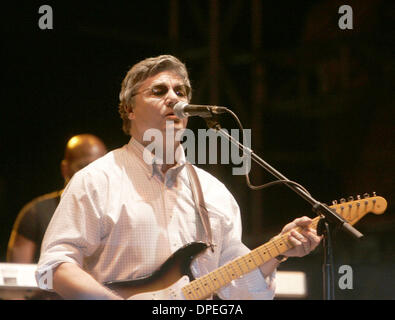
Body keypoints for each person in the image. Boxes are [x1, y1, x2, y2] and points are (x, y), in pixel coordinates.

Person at [36, 55, 321, 300]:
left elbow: (239, 291)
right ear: (129, 110)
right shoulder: (97, 180)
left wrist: (278, 252)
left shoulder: (214, 193)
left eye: (181, 91)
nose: (173, 98)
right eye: (158, 91)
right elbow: (55, 265)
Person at [7, 134, 107, 264]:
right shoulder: (36, 213)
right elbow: (18, 275)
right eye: (82, 167)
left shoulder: (116, 211)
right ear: (65, 169)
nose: (89, 175)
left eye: (97, 167)